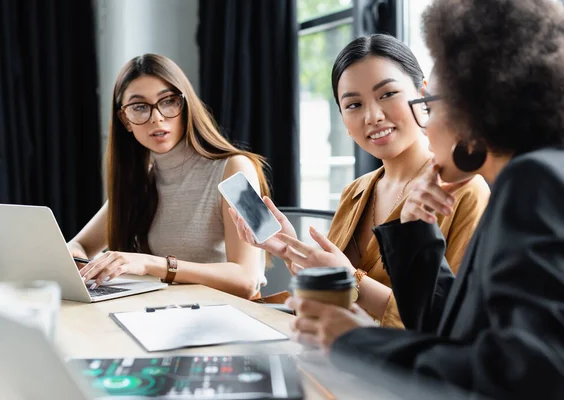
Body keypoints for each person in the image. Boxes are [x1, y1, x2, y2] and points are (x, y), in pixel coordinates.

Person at [286, 0, 564, 398]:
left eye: (429, 104)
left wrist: (356, 340)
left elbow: (523, 374)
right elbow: (453, 335)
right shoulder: (531, 177)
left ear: (476, 107)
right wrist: (416, 233)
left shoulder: (532, 180)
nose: (426, 123)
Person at [231, 34, 490, 326]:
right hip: (338, 352)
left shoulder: (465, 191)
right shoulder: (357, 191)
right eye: (354, 105)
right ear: (343, 119)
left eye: (388, 94)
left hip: (399, 366)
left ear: (423, 94)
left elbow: (453, 323)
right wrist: (291, 250)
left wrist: (351, 280)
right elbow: (335, 297)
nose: (373, 116)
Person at [67, 54, 269, 299]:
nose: (156, 117)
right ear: (125, 120)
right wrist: (77, 261)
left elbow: (248, 280)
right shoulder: (141, 180)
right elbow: (79, 245)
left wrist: (151, 264)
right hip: (163, 312)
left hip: (230, 316)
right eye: (139, 107)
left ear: (186, 105)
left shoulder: (238, 168)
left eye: (168, 101)